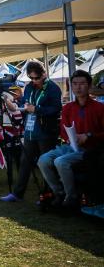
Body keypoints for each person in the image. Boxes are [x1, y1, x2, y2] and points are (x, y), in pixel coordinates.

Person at [37, 70, 104, 209]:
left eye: (82, 84)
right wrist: (69, 138)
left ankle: (71, 197)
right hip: (70, 146)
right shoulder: (68, 107)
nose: (78, 87)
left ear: (89, 85)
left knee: (61, 162)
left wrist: (88, 135)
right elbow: (63, 130)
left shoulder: (99, 107)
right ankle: (59, 193)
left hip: (90, 149)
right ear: (71, 86)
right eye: (75, 84)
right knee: (43, 160)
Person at [1, 60, 62, 203]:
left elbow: (56, 109)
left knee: (46, 163)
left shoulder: (53, 88)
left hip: (46, 132)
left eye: (37, 78)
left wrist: (37, 109)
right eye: (31, 78)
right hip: (30, 131)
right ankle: (17, 194)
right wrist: (16, 105)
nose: (34, 81)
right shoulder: (29, 87)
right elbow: (24, 104)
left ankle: (49, 195)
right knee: (25, 162)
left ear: (44, 74)